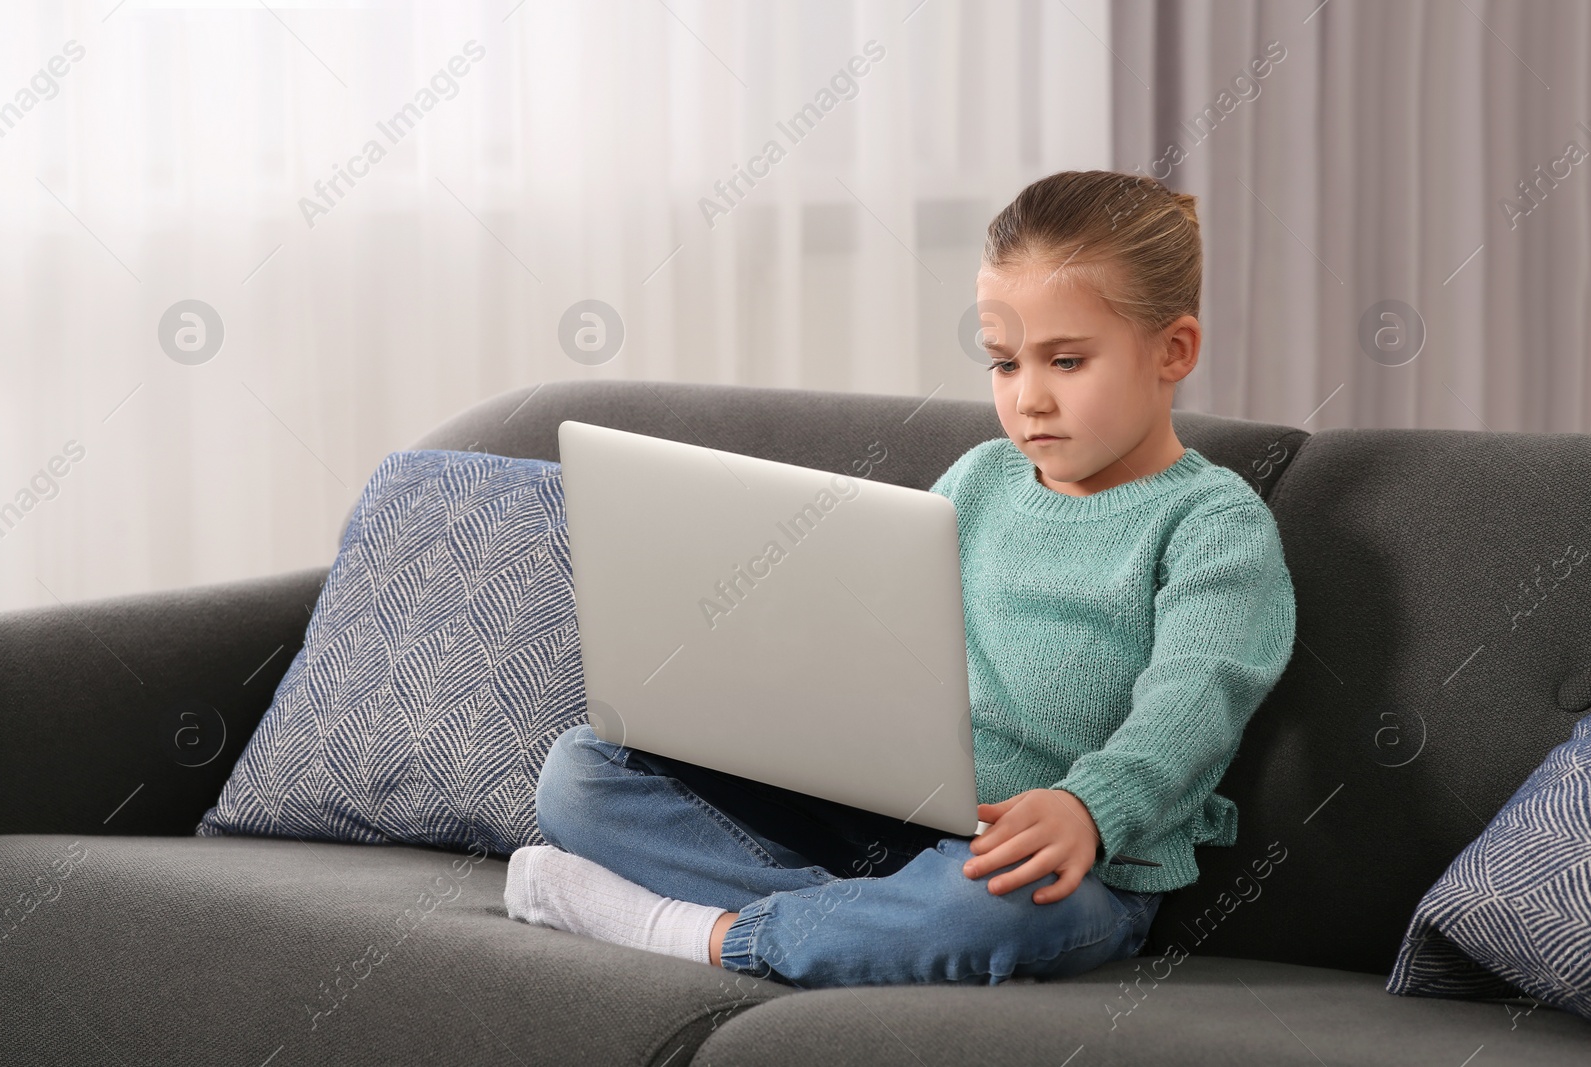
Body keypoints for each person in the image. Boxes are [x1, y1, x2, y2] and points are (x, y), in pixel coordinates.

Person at [503, 169, 1297, 989]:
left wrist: (1090, 808)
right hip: (883, 821)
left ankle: (700, 932)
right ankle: (855, 924)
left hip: (1068, 868)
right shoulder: (979, 479)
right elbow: (871, 633)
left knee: (989, 912)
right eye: (1003, 363)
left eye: (1065, 361)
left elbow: (1198, 698)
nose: (1029, 399)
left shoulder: (1213, 524)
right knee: (584, 770)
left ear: (1174, 350)